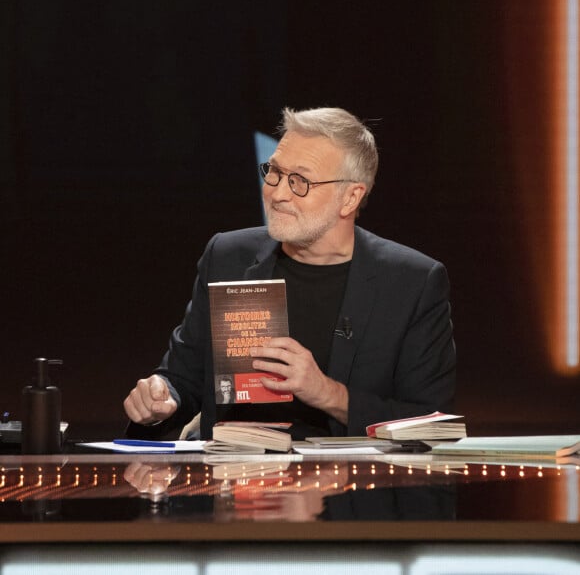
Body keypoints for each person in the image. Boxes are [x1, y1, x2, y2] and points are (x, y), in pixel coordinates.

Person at [123, 106, 456, 440]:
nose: (278, 194)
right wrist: (162, 397)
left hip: (351, 486)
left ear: (350, 197)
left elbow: (428, 423)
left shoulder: (411, 283)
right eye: (275, 173)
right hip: (234, 480)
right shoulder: (227, 257)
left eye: (300, 181)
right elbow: (182, 378)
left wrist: (327, 393)